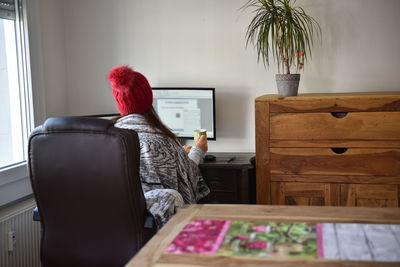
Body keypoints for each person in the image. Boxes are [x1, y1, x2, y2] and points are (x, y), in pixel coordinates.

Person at [107, 65, 210, 227]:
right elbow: (188, 178)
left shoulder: (108, 137)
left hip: (116, 226)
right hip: (157, 228)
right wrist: (197, 150)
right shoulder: (164, 140)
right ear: (149, 100)